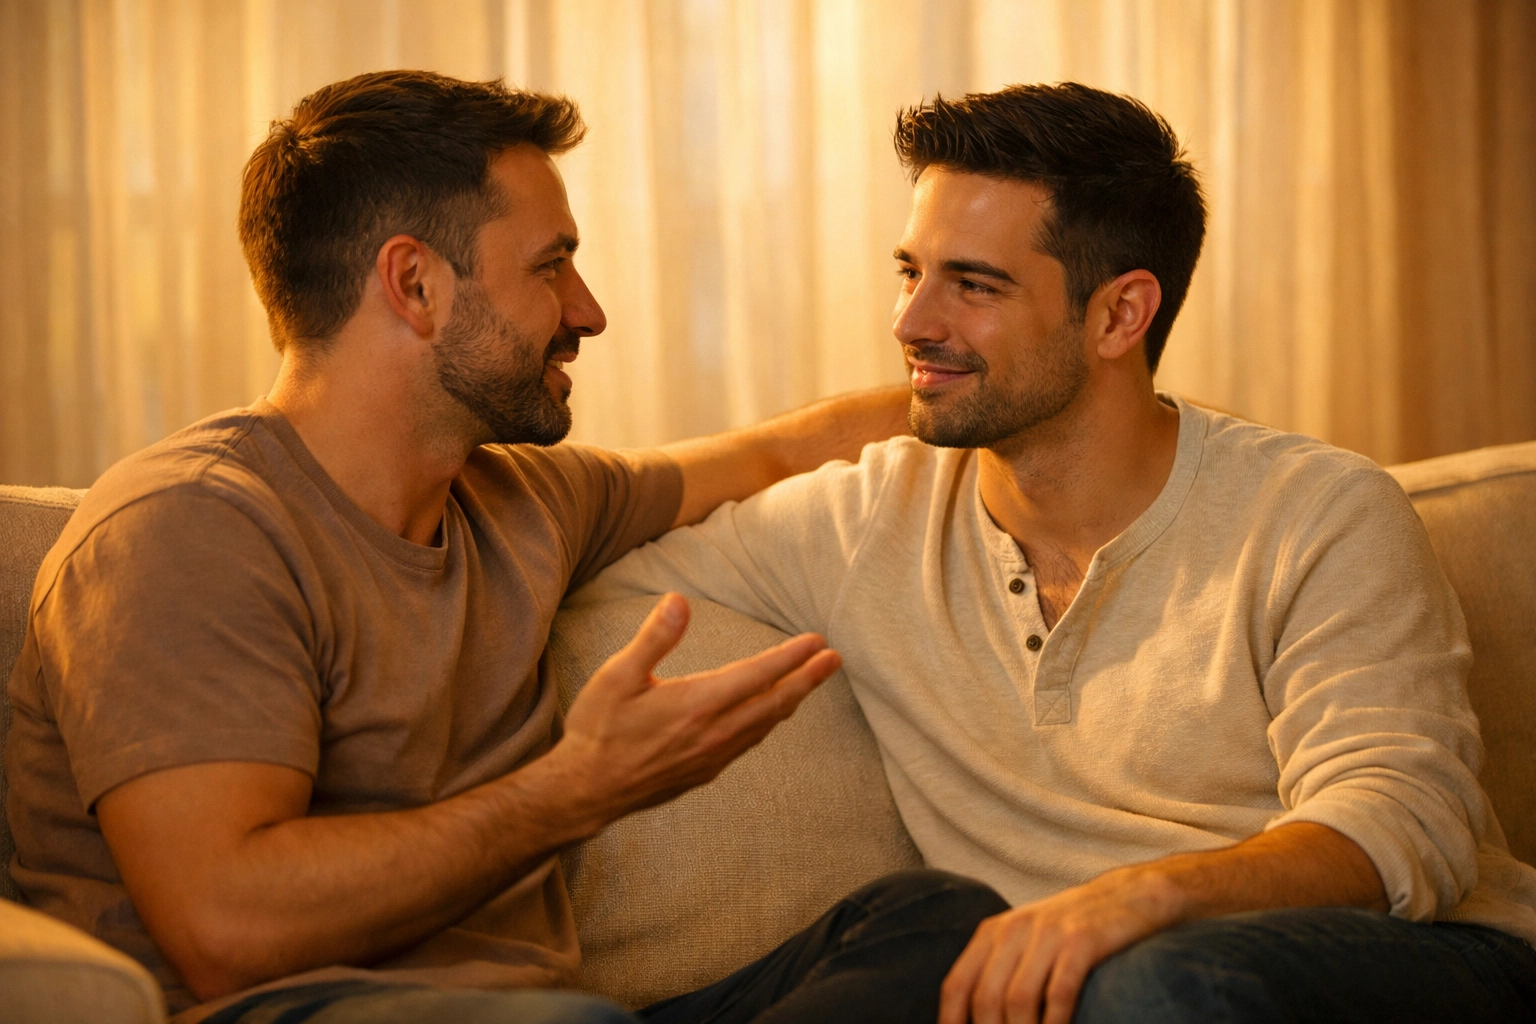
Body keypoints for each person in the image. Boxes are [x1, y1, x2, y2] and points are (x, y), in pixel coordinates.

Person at [4, 71, 1006, 1024]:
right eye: (550, 264)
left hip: (554, 1015)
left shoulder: (523, 500)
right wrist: (576, 790)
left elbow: (777, 450)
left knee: (939, 928)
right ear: (415, 284)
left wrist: (1058, 406)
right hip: (272, 1010)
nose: (588, 311)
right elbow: (227, 928)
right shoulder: (189, 529)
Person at [575, 83, 1536, 1024]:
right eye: (911, 272)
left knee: (1152, 986)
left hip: (1409, 960)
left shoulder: (1315, 511)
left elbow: (1408, 817)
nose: (911, 322)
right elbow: (577, 560)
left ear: (1121, 315)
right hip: (1077, 990)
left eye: (974, 285)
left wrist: (1144, 897)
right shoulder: (867, 519)